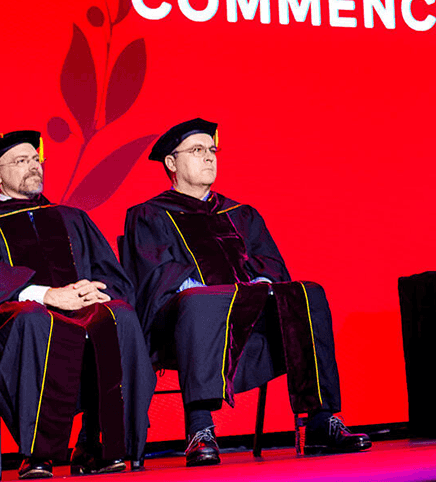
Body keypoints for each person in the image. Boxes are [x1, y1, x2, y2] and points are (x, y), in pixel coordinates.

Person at [121, 118, 370, 467]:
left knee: (307, 293)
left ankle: (318, 420)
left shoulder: (241, 213)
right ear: (172, 163)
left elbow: (271, 264)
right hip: (182, 327)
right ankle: (199, 428)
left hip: (249, 316)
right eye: (197, 150)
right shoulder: (148, 215)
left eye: (212, 150)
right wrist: (213, 292)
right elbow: (156, 276)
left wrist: (261, 287)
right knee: (199, 301)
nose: (209, 157)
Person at [0, 130, 154, 478]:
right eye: (21, 161)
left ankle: (100, 443)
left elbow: (111, 273)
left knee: (119, 315)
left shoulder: (71, 217)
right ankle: (38, 453)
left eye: (36, 160)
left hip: (79, 310)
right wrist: (43, 294)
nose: (33, 167)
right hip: (20, 314)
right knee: (33, 320)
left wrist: (96, 290)